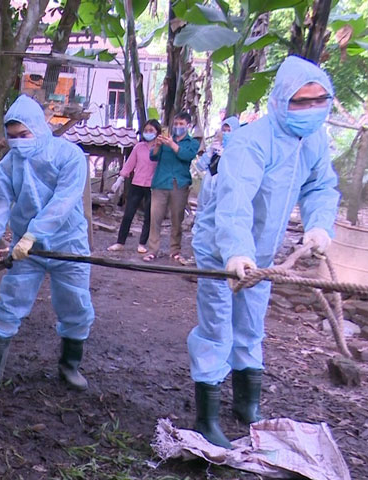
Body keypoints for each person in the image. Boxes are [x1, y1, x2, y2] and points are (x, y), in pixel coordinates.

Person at [187, 55, 339, 448]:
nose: (310, 110)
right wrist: (236, 252)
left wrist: (319, 224)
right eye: (300, 102)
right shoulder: (251, 141)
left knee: (252, 323)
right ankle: (208, 416)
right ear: (279, 101)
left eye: (318, 100)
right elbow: (234, 202)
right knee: (218, 323)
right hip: (224, 249)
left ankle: (246, 404)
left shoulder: (315, 140)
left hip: (266, 252)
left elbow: (320, 187)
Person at [0, 95, 95, 396]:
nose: (18, 142)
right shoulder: (9, 166)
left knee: (76, 304)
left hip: (68, 244)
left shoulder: (69, 156)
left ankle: (69, 365)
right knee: (10, 302)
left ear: (38, 128)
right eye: (11, 137)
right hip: (27, 251)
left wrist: (32, 234)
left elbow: (64, 201)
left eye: (23, 135)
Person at [143, 112, 199, 263]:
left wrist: (171, 144)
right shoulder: (165, 140)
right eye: (176, 124)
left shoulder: (192, 143)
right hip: (160, 183)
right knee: (155, 217)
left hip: (179, 184)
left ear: (188, 126)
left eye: (181, 124)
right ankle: (152, 250)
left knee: (177, 219)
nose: (178, 127)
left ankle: (175, 250)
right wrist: (158, 145)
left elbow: (186, 156)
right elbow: (153, 157)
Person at [107, 119, 161, 254]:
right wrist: (120, 179)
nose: (148, 133)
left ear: (157, 132)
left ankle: (142, 243)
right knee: (128, 214)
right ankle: (120, 242)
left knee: (149, 216)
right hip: (137, 183)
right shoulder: (139, 147)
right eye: (146, 130)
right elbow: (130, 164)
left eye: (151, 131)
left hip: (152, 186)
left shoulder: (160, 149)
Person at [194, 116, 240, 208]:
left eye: (229, 131)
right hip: (206, 193)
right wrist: (210, 152)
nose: (226, 133)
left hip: (223, 196)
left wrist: (225, 155)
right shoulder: (214, 148)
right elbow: (200, 166)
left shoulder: (238, 151)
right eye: (224, 130)